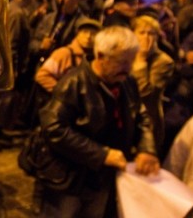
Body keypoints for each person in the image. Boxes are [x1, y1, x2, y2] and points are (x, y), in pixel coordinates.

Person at [38, 26, 160, 217]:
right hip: (70, 177)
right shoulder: (73, 83)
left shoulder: (127, 81)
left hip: (102, 177)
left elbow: (141, 115)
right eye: (121, 61)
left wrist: (146, 148)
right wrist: (101, 154)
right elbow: (54, 128)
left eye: (131, 61)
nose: (128, 68)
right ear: (101, 56)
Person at [130, 14, 175, 157]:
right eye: (141, 32)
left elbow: (145, 93)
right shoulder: (127, 54)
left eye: (151, 33)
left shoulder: (164, 62)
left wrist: (141, 61)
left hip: (148, 122)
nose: (146, 37)